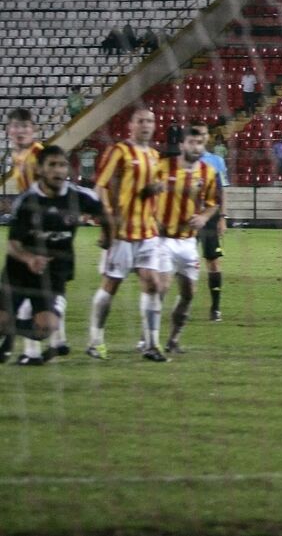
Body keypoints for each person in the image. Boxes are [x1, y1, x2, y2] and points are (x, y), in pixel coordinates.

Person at [2, 146, 112, 366]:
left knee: (46, 328)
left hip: (54, 272)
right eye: (52, 165)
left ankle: (11, 330)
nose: (58, 170)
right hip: (18, 273)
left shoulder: (79, 196)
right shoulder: (27, 201)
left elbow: (106, 215)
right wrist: (29, 259)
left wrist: (107, 237)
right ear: (41, 170)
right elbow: (12, 244)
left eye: (62, 165)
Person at [88, 107, 168, 362]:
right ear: (131, 126)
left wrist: (156, 190)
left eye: (150, 121)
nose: (146, 125)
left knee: (153, 283)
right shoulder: (120, 151)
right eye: (141, 121)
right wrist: (106, 218)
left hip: (148, 232)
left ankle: (151, 344)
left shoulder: (155, 156)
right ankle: (95, 340)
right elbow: (100, 186)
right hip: (122, 232)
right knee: (112, 284)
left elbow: (147, 190)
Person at [154, 124, 220, 354]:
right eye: (191, 142)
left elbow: (213, 203)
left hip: (188, 241)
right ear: (182, 145)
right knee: (161, 287)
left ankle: (173, 340)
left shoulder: (208, 173)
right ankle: (148, 341)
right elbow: (145, 192)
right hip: (163, 240)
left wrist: (203, 217)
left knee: (188, 294)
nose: (195, 146)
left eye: (199, 143)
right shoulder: (162, 166)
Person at [198, 133, 230, 322]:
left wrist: (223, 218)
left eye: (203, 135)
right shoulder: (181, 162)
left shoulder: (216, 161)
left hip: (210, 217)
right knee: (183, 262)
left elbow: (222, 191)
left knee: (214, 261)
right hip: (187, 217)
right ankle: (184, 300)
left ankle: (215, 308)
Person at [5, 107, 44, 193]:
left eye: (25, 126)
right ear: (8, 129)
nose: (20, 130)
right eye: (15, 126)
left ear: (33, 128)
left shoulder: (39, 153)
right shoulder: (16, 155)